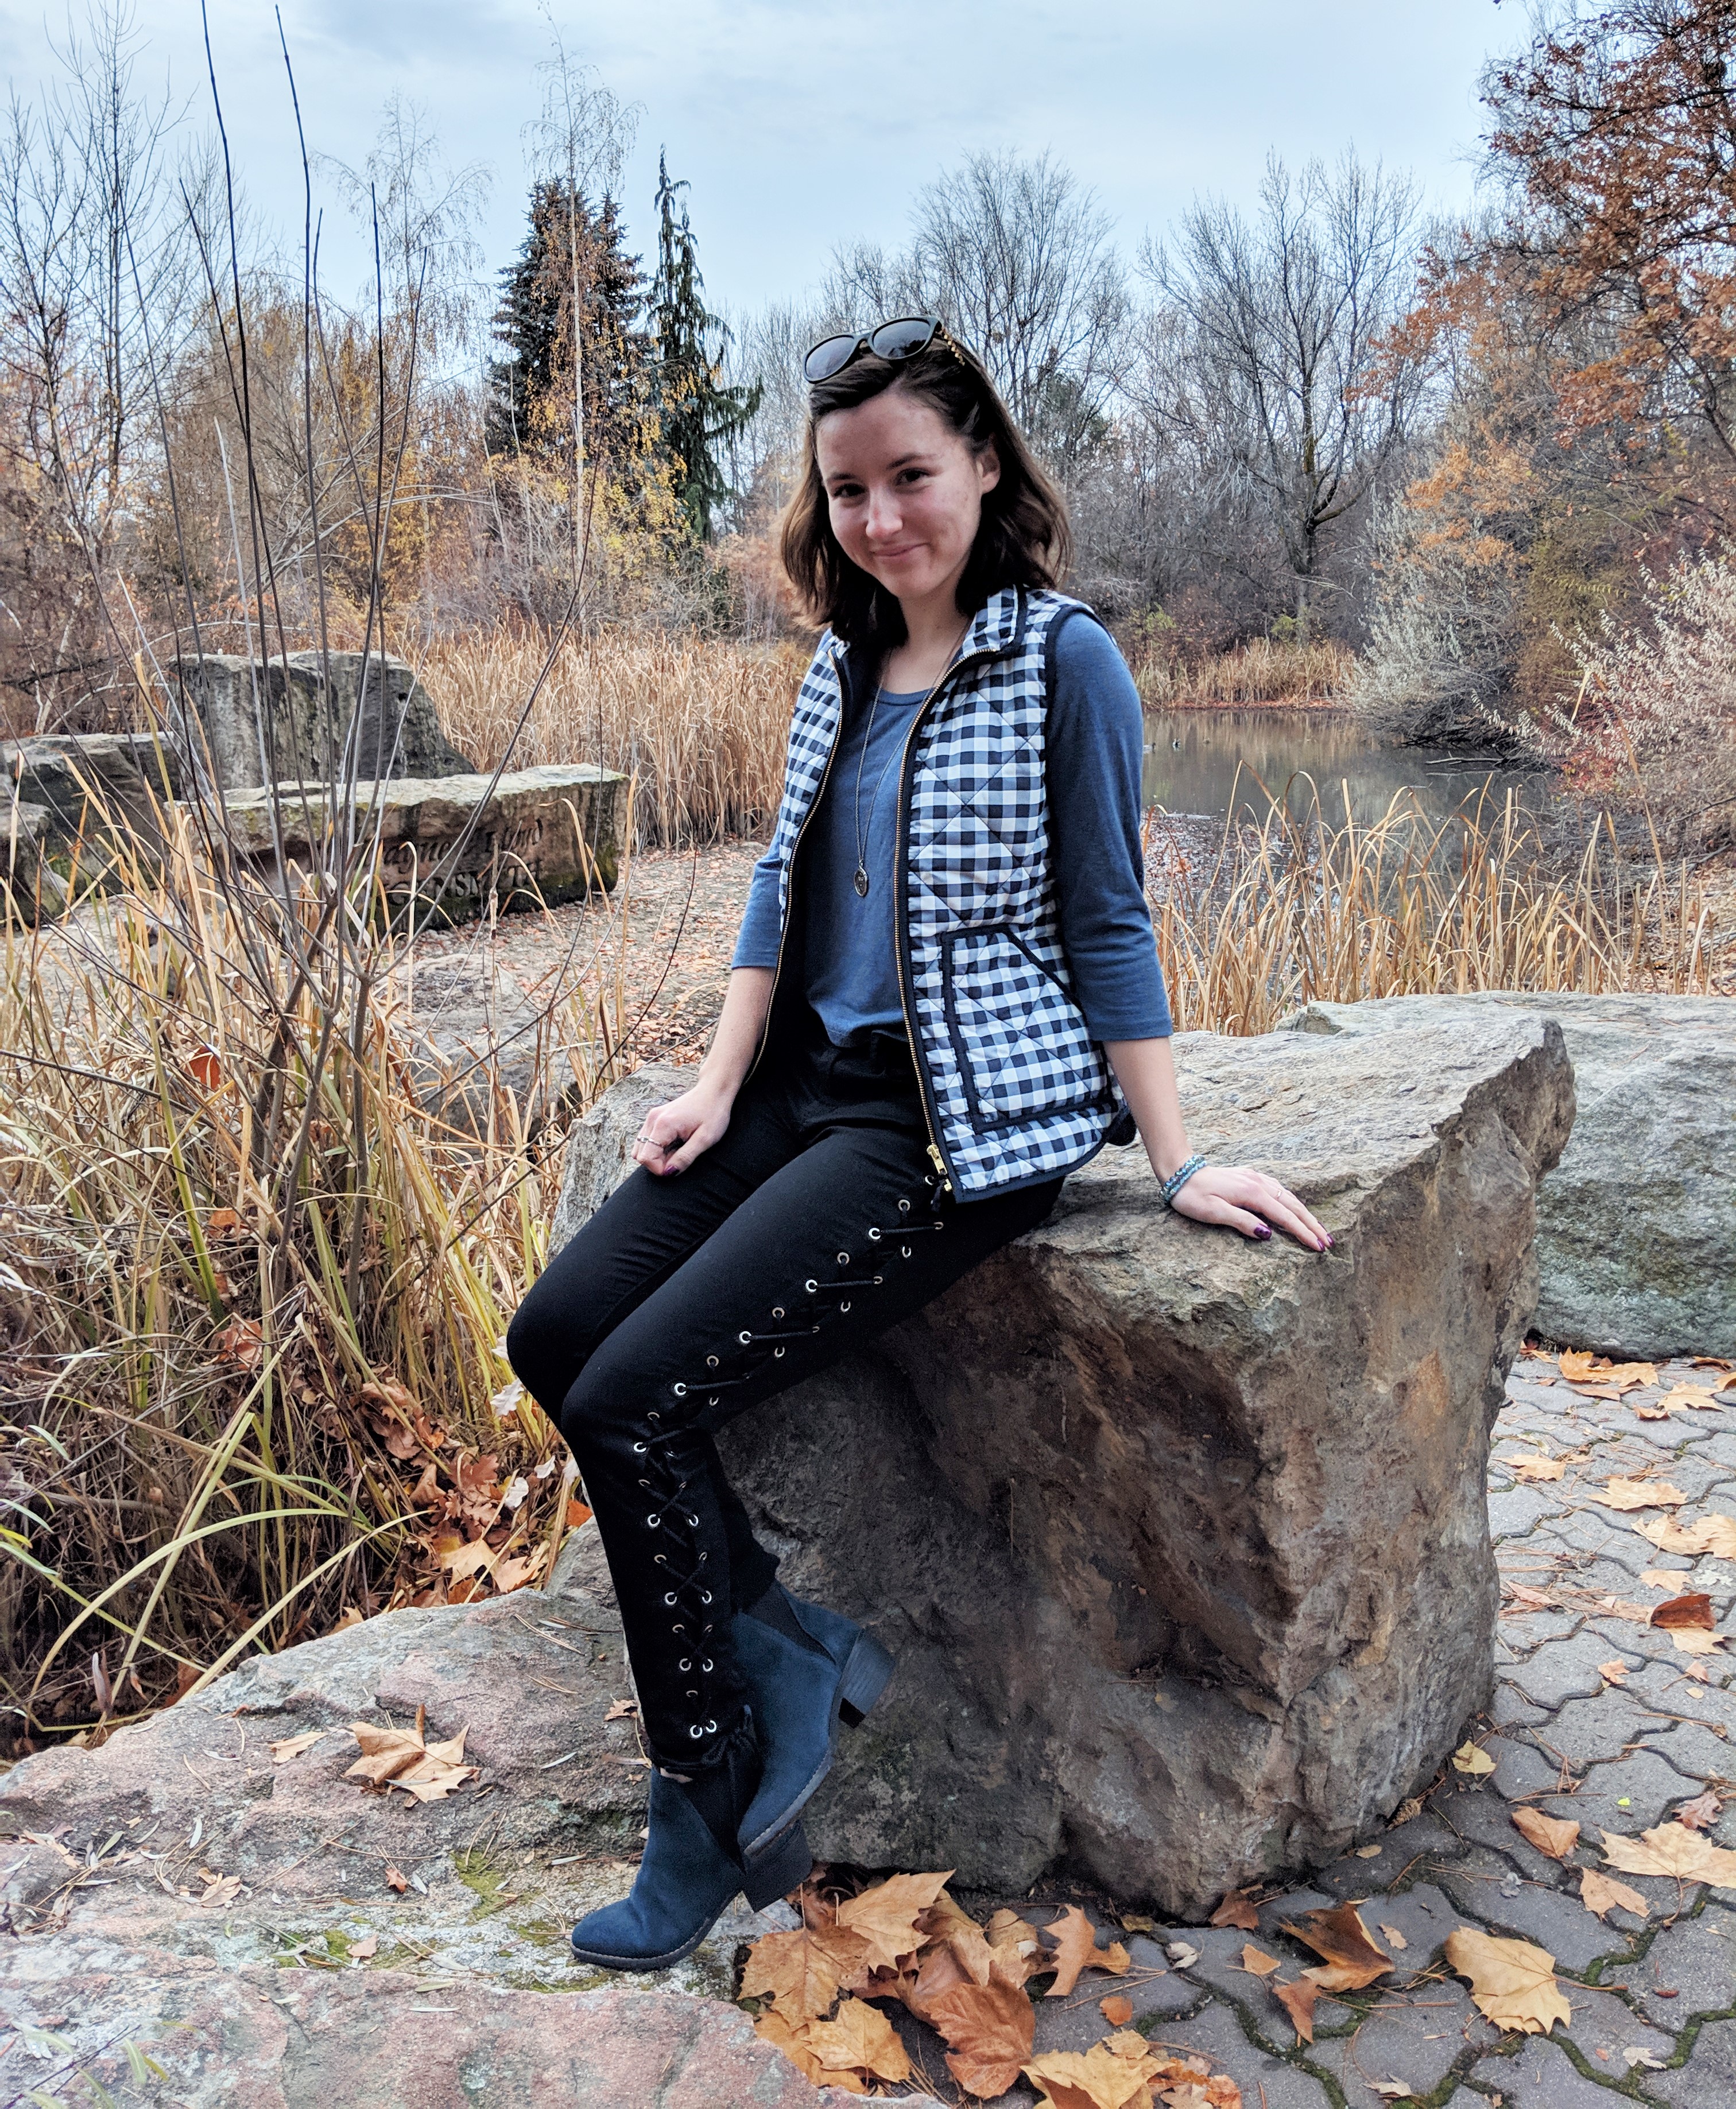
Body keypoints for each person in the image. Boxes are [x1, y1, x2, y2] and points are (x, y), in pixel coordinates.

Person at [506, 316, 1331, 1972]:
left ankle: (709, 1783)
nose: (883, 517)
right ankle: (786, 1643)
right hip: (805, 1088)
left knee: (632, 1397)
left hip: (955, 1128)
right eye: (850, 488)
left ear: (984, 469)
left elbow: (1109, 917)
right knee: (554, 1332)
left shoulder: (1062, 661)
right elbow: (774, 887)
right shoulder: (839, 659)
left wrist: (1173, 1160)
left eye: (913, 477)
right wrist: (719, 1079)